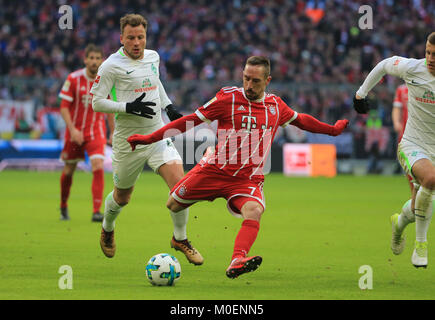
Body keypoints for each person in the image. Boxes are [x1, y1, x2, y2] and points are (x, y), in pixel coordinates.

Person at [128, 56, 349, 278]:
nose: (249, 85)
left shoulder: (275, 106)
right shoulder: (227, 99)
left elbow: (301, 120)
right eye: (246, 79)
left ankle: (237, 259)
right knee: (173, 204)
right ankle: (179, 237)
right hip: (214, 171)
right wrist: (150, 138)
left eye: (255, 81)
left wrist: (332, 130)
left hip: (247, 179)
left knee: (254, 210)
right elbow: (190, 121)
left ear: (267, 80)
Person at [90, 14, 203, 265]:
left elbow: (156, 82)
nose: (136, 42)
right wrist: (127, 107)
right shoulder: (110, 65)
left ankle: (180, 238)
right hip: (128, 141)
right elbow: (96, 102)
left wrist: (169, 105)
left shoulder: (153, 56)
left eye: (140, 37)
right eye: (130, 37)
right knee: (122, 198)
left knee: (181, 188)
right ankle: (108, 227)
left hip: (156, 134)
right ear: (121, 39)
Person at [353, 32, 435, 268]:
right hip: (413, 144)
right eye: (428, 52)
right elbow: (384, 65)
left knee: (419, 201)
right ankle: (421, 245)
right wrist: (361, 94)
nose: (430, 58)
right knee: (430, 179)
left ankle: (399, 223)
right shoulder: (412, 68)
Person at [58, 44, 115, 222]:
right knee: (69, 170)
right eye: (91, 58)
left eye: (98, 58)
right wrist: (72, 130)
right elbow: (64, 107)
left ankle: (96, 211)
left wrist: (113, 131)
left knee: (98, 166)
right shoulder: (73, 78)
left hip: (95, 131)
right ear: (85, 59)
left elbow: (110, 109)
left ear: (102, 60)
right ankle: (63, 205)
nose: (94, 61)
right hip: (74, 133)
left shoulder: (106, 81)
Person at [392, 84, 414, 193]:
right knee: (408, 165)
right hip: (406, 134)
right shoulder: (401, 89)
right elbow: (397, 108)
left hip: (427, 133)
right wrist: (396, 122)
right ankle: (414, 192)